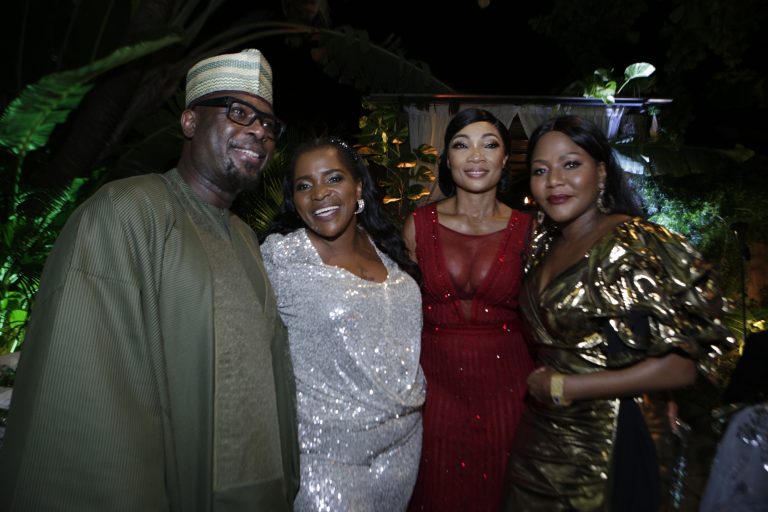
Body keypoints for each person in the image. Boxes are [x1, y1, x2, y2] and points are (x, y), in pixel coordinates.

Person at [0, 49, 299, 511]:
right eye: (239, 113)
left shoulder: (244, 238)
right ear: (189, 122)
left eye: (269, 124)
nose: (260, 131)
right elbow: (91, 396)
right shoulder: (125, 211)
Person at [501, 115, 735, 511]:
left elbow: (680, 368)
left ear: (602, 173)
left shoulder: (634, 244)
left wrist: (565, 387)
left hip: (611, 442)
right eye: (541, 170)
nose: (554, 180)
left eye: (570, 164)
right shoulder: (544, 246)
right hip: (541, 440)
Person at [261, 136, 426, 511]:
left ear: (359, 187)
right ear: (294, 200)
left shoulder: (385, 247)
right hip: (326, 455)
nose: (319, 193)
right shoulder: (281, 258)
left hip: (403, 445)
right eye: (304, 185)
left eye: (333, 178)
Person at [403, 108, 534, 511]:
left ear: (505, 159)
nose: (476, 156)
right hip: (433, 390)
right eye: (462, 145)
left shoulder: (530, 230)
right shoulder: (417, 225)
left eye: (489, 145)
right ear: (447, 159)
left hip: (508, 390)